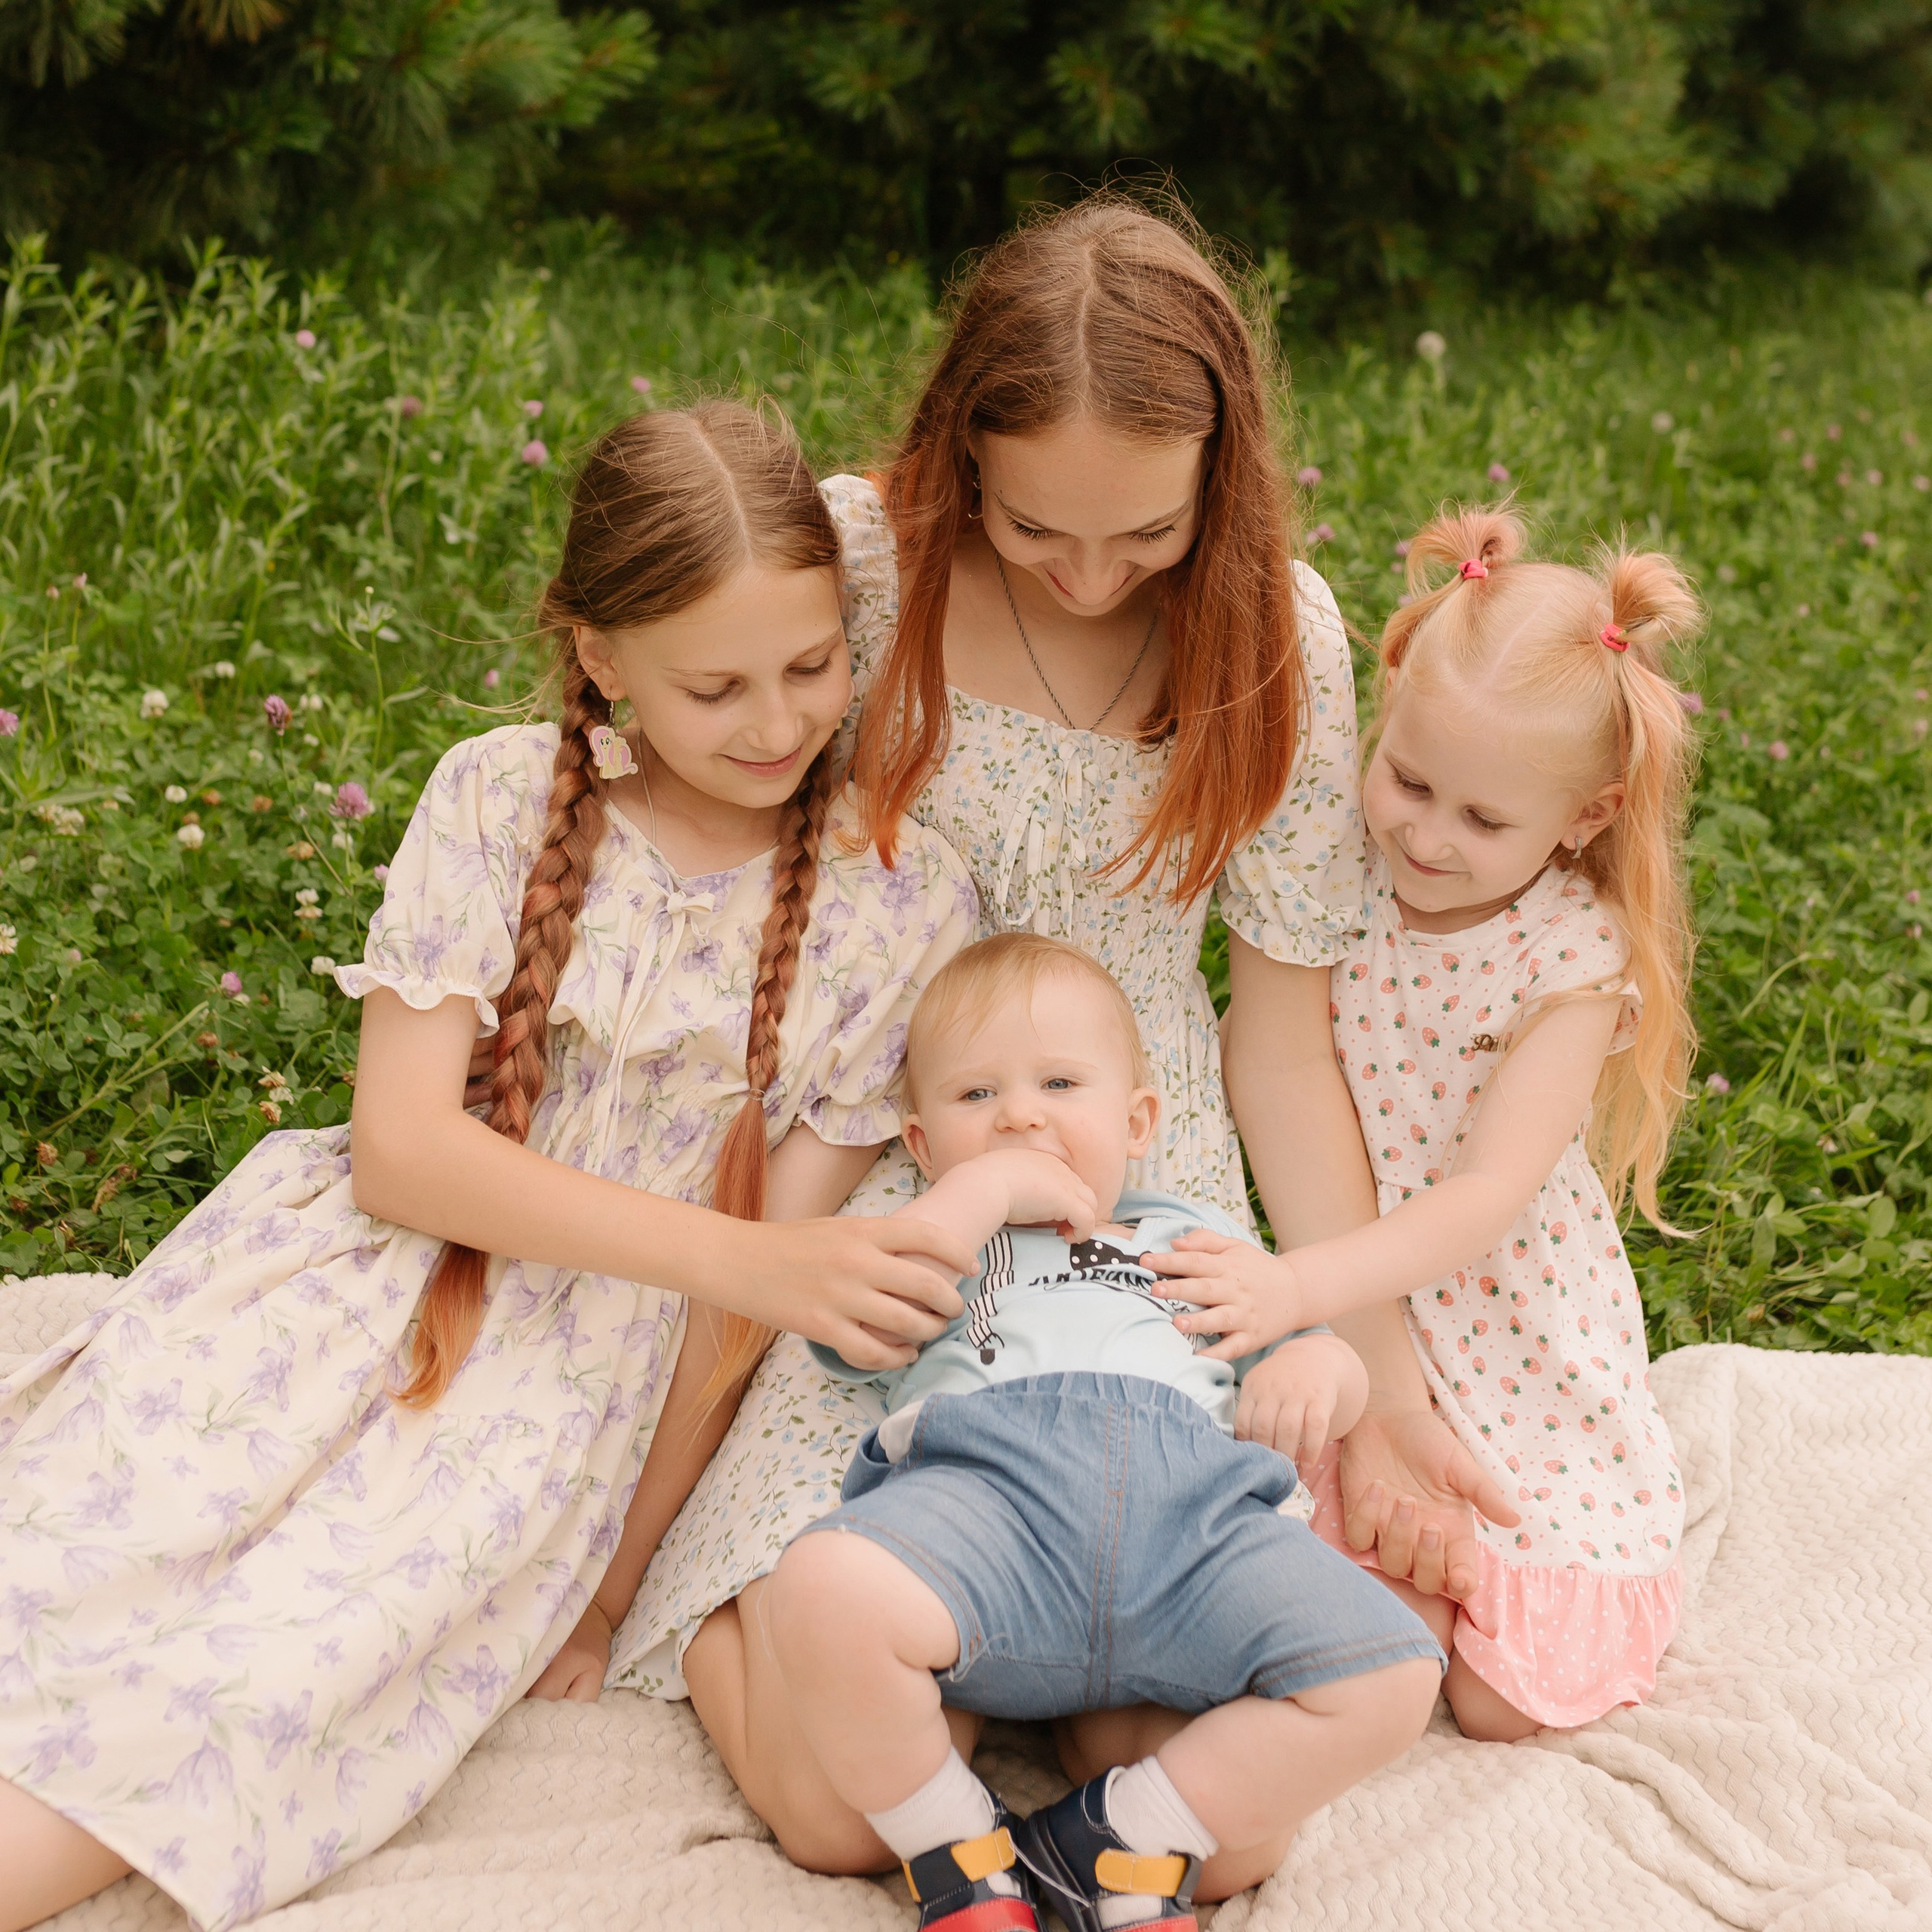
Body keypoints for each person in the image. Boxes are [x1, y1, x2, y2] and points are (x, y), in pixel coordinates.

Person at [611, 192, 1509, 1869]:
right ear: (958, 453)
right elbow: (688, 785)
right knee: (826, 1810)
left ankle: (1055, 1798)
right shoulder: (862, 561)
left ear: (1219, 478)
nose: (1089, 574)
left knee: (1211, 1813)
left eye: (1142, 535)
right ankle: (881, 1689)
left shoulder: (1275, 635)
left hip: (1133, 1178)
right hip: (892, 1152)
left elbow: (1279, 1044)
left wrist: (1372, 1366)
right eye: (1037, 529)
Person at [0, 401, 978, 1932]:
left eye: (810, 665)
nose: (777, 722)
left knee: (259, 1682)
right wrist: (734, 1256)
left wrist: (611, 1581)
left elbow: (738, 1328)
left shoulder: (892, 893)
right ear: (601, 660)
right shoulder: (497, 793)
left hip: (564, 1390)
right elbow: (400, 1150)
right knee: (83, 1539)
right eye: (713, 685)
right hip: (351, 1287)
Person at [1145, 504, 1697, 1740]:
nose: (1426, 837)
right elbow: (1276, 1051)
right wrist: (1324, 1305)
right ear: (1385, 705)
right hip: (1359, 1283)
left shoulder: (1572, 956)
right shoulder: (1339, 849)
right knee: (1370, 1617)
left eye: (1484, 821)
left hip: (1503, 1313)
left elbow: (1487, 1197)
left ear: (1586, 819)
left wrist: (1296, 1288)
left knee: (1508, 1700)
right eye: (1408, 778)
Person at [767, 933, 1443, 1932]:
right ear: (919, 1148)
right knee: (819, 1585)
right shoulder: (931, 1246)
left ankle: (1121, 1837)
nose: (1021, 1114)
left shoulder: (1189, 1239)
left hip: (1193, 1532)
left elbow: (1312, 1349)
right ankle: (954, 1846)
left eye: (1058, 1083)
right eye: (975, 1099)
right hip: (990, 1514)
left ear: (1137, 1124)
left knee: (1396, 1668)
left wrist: (1317, 1371)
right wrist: (982, 1195)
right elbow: (858, 1333)